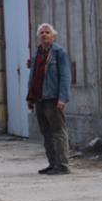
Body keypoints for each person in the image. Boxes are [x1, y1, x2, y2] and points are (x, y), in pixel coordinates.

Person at [26, 23, 72, 175]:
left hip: (53, 99)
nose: (44, 35)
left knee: (58, 132)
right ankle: (52, 164)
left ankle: (63, 165)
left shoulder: (59, 52)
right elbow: (33, 76)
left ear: (53, 36)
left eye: (47, 32)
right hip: (39, 99)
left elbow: (65, 76)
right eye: (42, 33)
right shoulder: (37, 53)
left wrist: (63, 98)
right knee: (46, 133)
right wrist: (30, 97)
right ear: (39, 36)